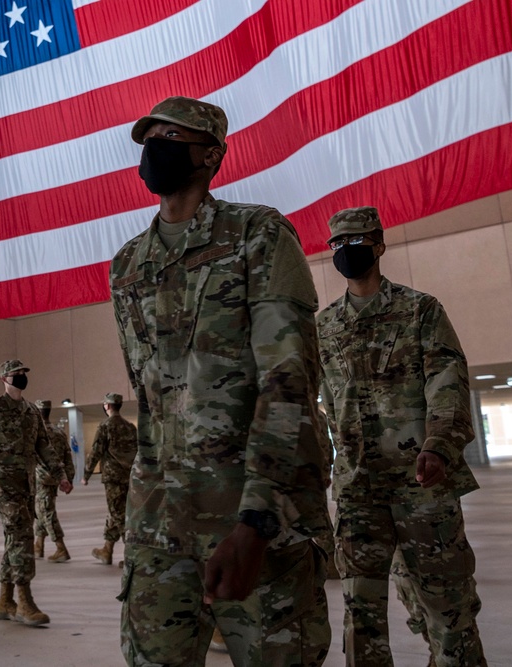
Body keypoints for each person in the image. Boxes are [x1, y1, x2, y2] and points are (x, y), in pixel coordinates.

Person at [110, 97, 332, 666]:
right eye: (148, 138)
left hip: (251, 520)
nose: (154, 146)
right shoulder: (128, 264)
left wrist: (257, 519)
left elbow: (287, 381)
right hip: (159, 524)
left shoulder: (256, 233)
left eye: (170, 137)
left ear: (210, 156)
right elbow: (151, 398)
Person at [317, 206, 487, 667]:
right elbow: (320, 408)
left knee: (445, 603)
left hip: (422, 485)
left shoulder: (419, 309)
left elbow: (447, 384)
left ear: (379, 244)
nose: (346, 251)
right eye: (337, 244)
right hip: (357, 489)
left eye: (356, 241)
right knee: (361, 612)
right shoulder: (323, 327)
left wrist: (439, 446)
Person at [0, 360, 73, 627]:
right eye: (16, 374)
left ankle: (5, 601)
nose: (21, 377)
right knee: (23, 537)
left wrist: (60, 474)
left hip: (29, 487)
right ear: (4, 378)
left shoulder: (31, 411)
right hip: (5, 488)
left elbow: (44, 446)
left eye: (23, 374)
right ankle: (25, 600)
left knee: (14, 541)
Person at [82, 392, 137, 567]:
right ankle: (107, 550)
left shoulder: (105, 426)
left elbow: (97, 451)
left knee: (118, 514)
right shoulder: (130, 427)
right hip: (130, 476)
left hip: (113, 477)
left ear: (107, 406)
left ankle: (132, 557)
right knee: (117, 511)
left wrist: (86, 474)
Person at [33, 399, 75, 563]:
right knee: (41, 509)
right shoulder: (59, 432)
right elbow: (67, 457)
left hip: (41, 478)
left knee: (46, 513)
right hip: (56, 477)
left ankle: (60, 548)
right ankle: (39, 544)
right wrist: (68, 478)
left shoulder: (35, 433)